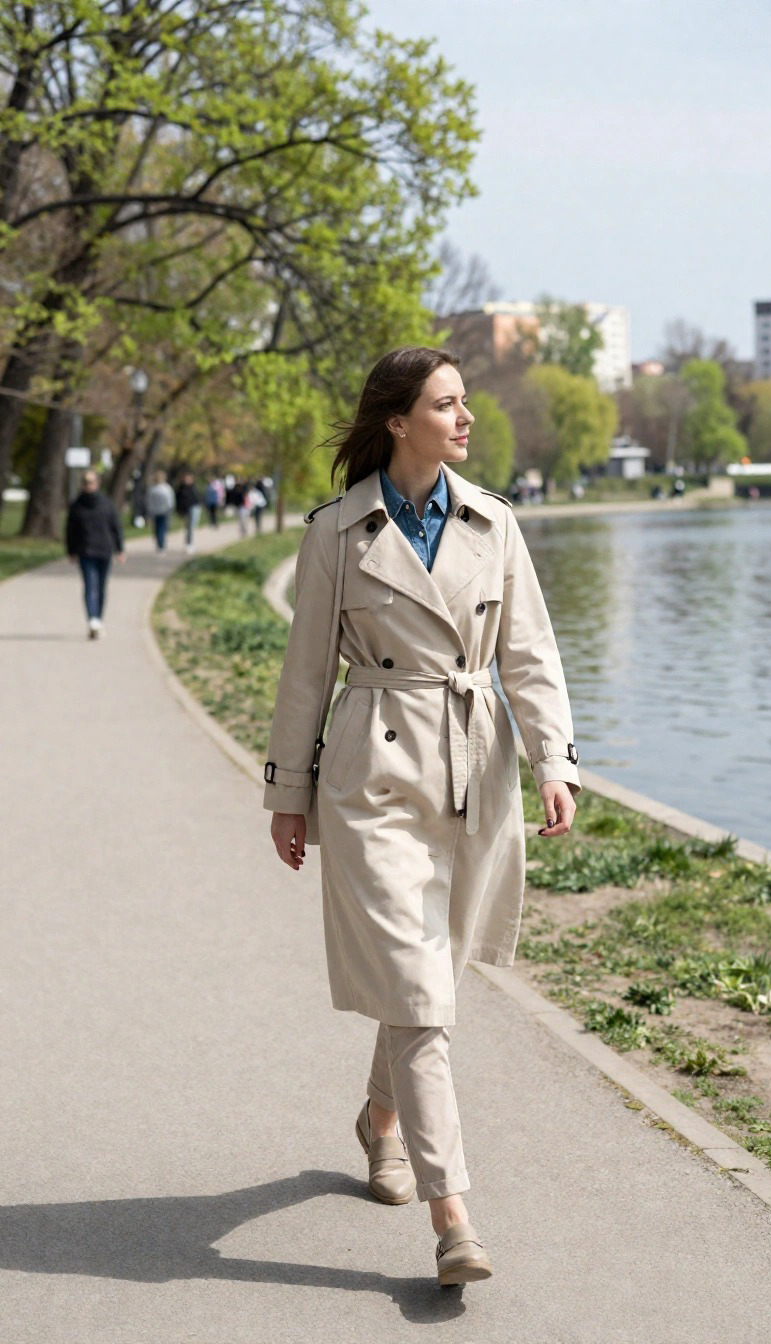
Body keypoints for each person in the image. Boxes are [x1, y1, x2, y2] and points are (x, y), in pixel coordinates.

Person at [263, 346, 581, 1286]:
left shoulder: (495, 524)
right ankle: (454, 1218)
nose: (466, 417)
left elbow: (530, 657)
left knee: (427, 977)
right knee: (416, 986)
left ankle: (380, 1120)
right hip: (371, 776)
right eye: (447, 404)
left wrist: (552, 760)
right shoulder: (336, 532)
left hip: (472, 766)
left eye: (465, 402)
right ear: (399, 421)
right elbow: (304, 675)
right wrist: (289, 792)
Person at [65, 469, 125, 638]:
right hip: (85, 551)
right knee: (90, 585)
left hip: (105, 550)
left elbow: (115, 527)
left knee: (101, 586)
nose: (88, 485)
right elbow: (70, 530)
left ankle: (98, 618)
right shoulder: (77, 505)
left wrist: (119, 549)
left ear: (97, 484)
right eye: (85, 482)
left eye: (91, 482)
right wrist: (71, 551)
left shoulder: (106, 503)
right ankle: (92, 619)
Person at [146, 470, 175, 550]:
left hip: (156, 511)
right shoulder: (166, 488)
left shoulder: (152, 489)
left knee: (157, 528)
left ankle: (160, 543)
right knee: (162, 528)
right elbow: (170, 501)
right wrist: (170, 509)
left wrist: (150, 511)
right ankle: (161, 544)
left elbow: (149, 501)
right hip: (164, 511)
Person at [175, 472, 201, 553]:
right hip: (186, 509)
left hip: (195, 508)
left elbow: (197, 498)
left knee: (192, 526)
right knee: (189, 527)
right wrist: (180, 511)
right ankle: (189, 544)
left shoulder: (194, 487)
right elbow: (178, 501)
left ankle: (189, 543)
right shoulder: (181, 489)